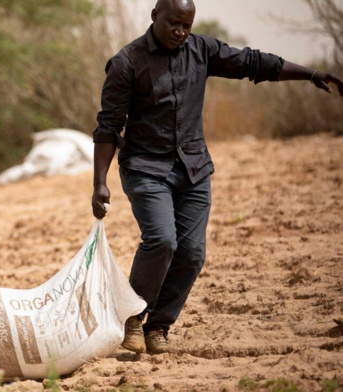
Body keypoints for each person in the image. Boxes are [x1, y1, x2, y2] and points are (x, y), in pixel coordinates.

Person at [91, 0, 343, 355]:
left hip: (193, 169)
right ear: (154, 17)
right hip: (146, 168)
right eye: (173, 24)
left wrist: (311, 74)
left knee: (192, 253)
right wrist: (99, 182)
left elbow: (254, 63)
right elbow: (108, 126)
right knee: (163, 240)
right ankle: (133, 316)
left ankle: (158, 326)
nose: (180, 31)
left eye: (186, 25)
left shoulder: (202, 50)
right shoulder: (126, 62)